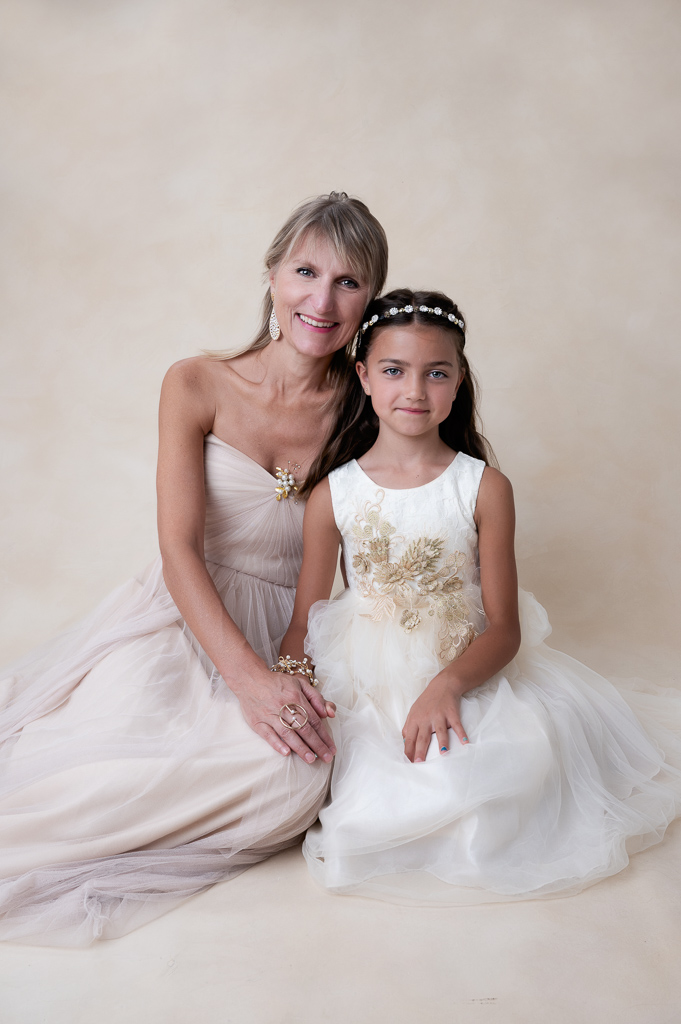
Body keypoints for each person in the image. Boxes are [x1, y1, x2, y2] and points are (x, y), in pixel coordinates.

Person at [0, 192, 389, 945]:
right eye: (305, 270)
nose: (321, 298)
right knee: (99, 766)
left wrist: (292, 667)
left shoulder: (369, 406)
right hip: (179, 615)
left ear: (369, 299)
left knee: (292, 779)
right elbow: (177, 546)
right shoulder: (196, 383)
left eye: (348, 282)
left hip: (293, 630)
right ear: (272, 273)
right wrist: (245, 678)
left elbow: (353, 554)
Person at [280, 288, 681, 904]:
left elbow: (505, 627)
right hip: (362, 675)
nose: (415, 390)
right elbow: (305, 621)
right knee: (369, 795)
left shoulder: (483, 486)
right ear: (363, 376)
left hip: (462, 665)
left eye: (436, 373)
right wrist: (291, 688)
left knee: (490, 776)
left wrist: (447, 684)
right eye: (394, 370)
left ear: (459, 380)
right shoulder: (334, 495)